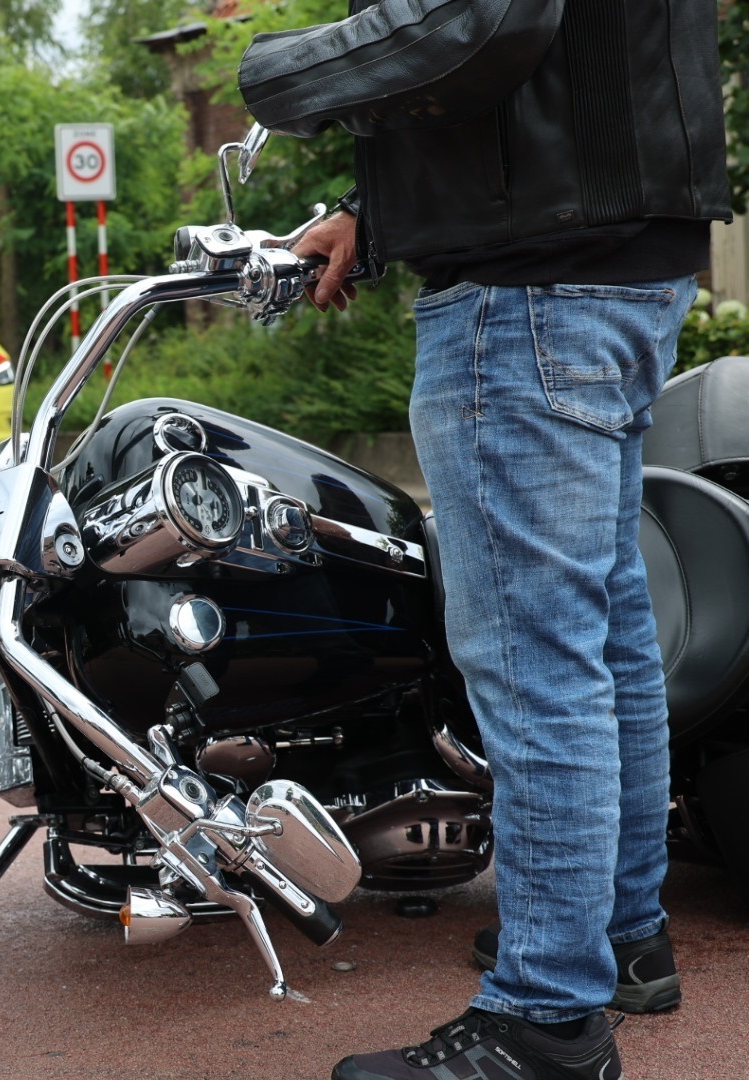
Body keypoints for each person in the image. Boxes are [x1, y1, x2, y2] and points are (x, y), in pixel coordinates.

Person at [236, 3, 732, 1078]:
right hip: (619, 258)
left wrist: (279, 73)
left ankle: (546, 1019)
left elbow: (481, 15)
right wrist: (379, 209)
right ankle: (617, 940)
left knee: (535, 657)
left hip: (531, 288)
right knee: (601, 637)